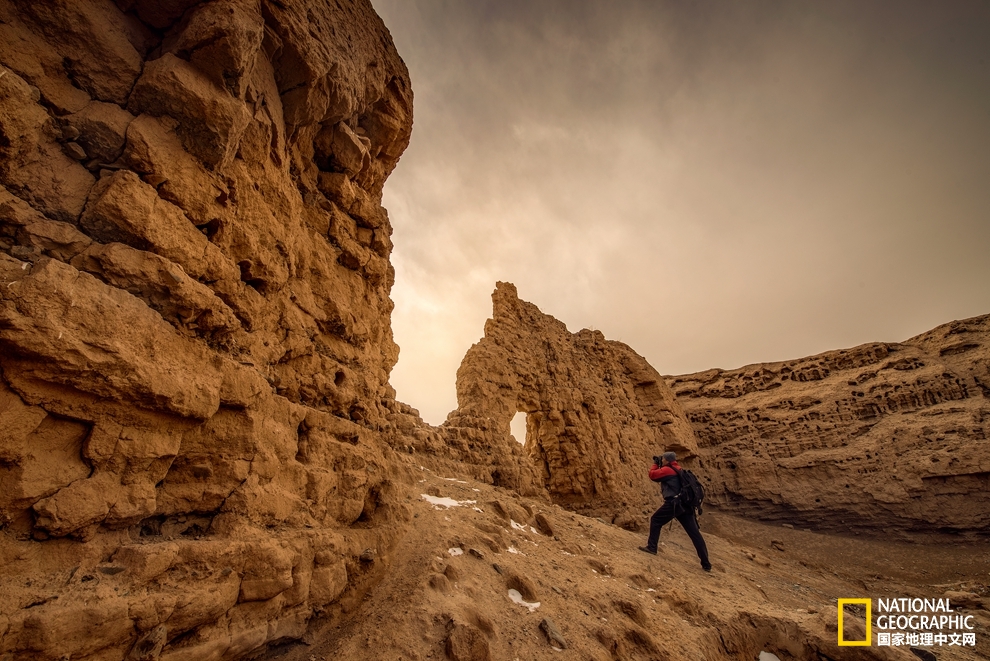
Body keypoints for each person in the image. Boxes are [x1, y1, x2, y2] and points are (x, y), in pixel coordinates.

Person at [638, 451, 712, 572]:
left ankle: (652, 548)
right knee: (694, 534)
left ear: (667, 460)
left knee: (656, 520)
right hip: (685, 506)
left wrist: (655, 464)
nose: (662, 461)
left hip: (674, 504)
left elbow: (653, 475)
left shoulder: (668, 470)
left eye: (663, 460)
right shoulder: (679, 469)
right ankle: (706, 563)